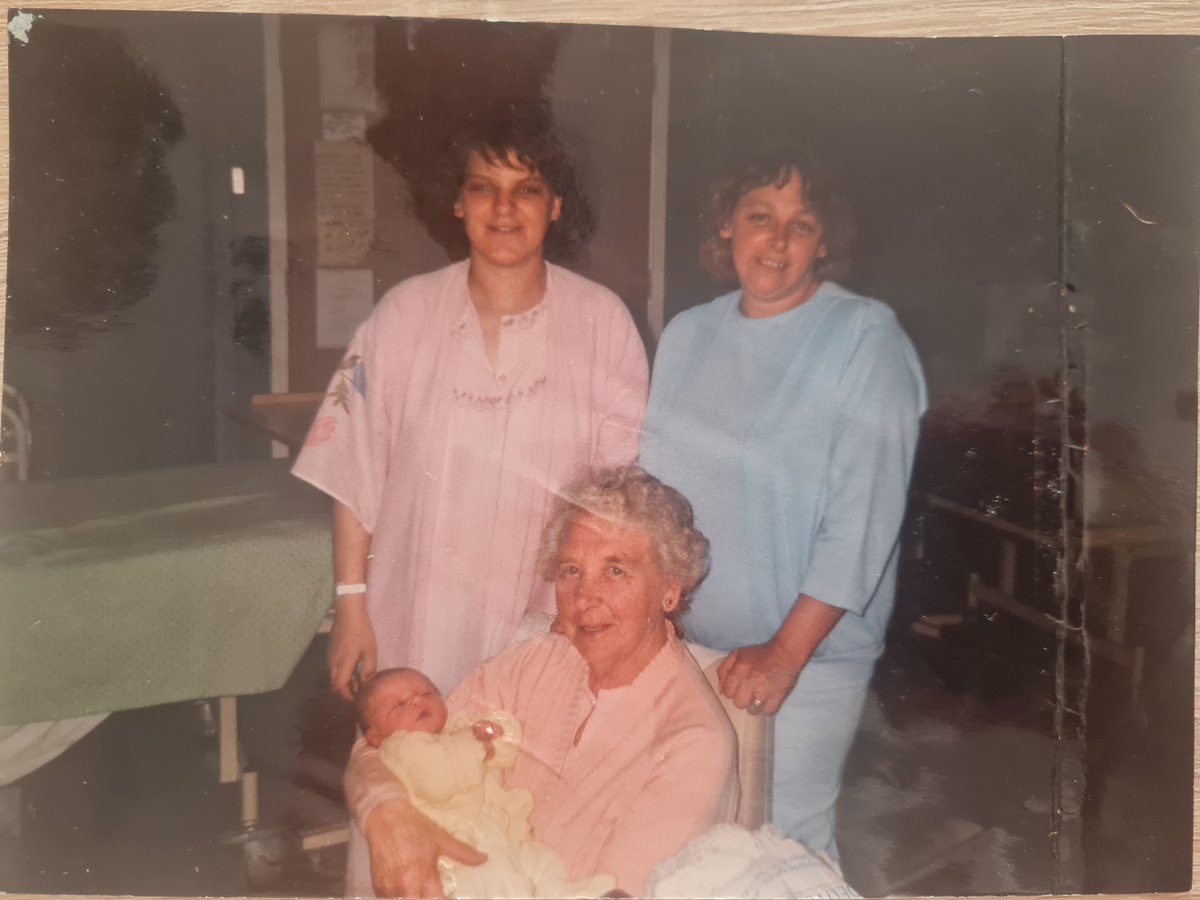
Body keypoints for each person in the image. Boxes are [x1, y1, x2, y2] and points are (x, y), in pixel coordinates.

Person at [292, 109, 649, 700]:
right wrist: (351, 610)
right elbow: (354, 474)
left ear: (555, 205)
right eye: (484, 189)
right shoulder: (403, 316)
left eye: (526, 191)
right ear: (458, 203)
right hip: (413, 616)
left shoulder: (602, 322)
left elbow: (619, 497)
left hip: (546, 622)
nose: (504, 210)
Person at [639, 150, 927, 860]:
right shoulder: (687, 335)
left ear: (824, 242)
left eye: (801, 225)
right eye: (759, 217)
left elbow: (864, 519)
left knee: (780, 851)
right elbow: (652, 496)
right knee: (691, 849)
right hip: (687, 651)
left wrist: (784, 654)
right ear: (727, 227)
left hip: (802, 660)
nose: (775, 240)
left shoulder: (866, 339)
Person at [344, 466, 739, 898]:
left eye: (615, 571)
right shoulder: (537, 663)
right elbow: (385, 743)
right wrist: (388, 814)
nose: (586, 598)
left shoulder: (693, 743)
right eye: (571, 570)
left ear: (669, 589)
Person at [355, 668, 617, 899]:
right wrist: (476, 744)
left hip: (498, 834)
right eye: (399, 705)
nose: (416, 701)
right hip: (456, 846)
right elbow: (438, 779)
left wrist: (494, 734)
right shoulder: (400, 748)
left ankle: (567, 894)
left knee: (541, 862)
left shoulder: (456, 728)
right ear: (375, 737)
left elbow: (506, 753)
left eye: (426, 693)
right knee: (498, 880)